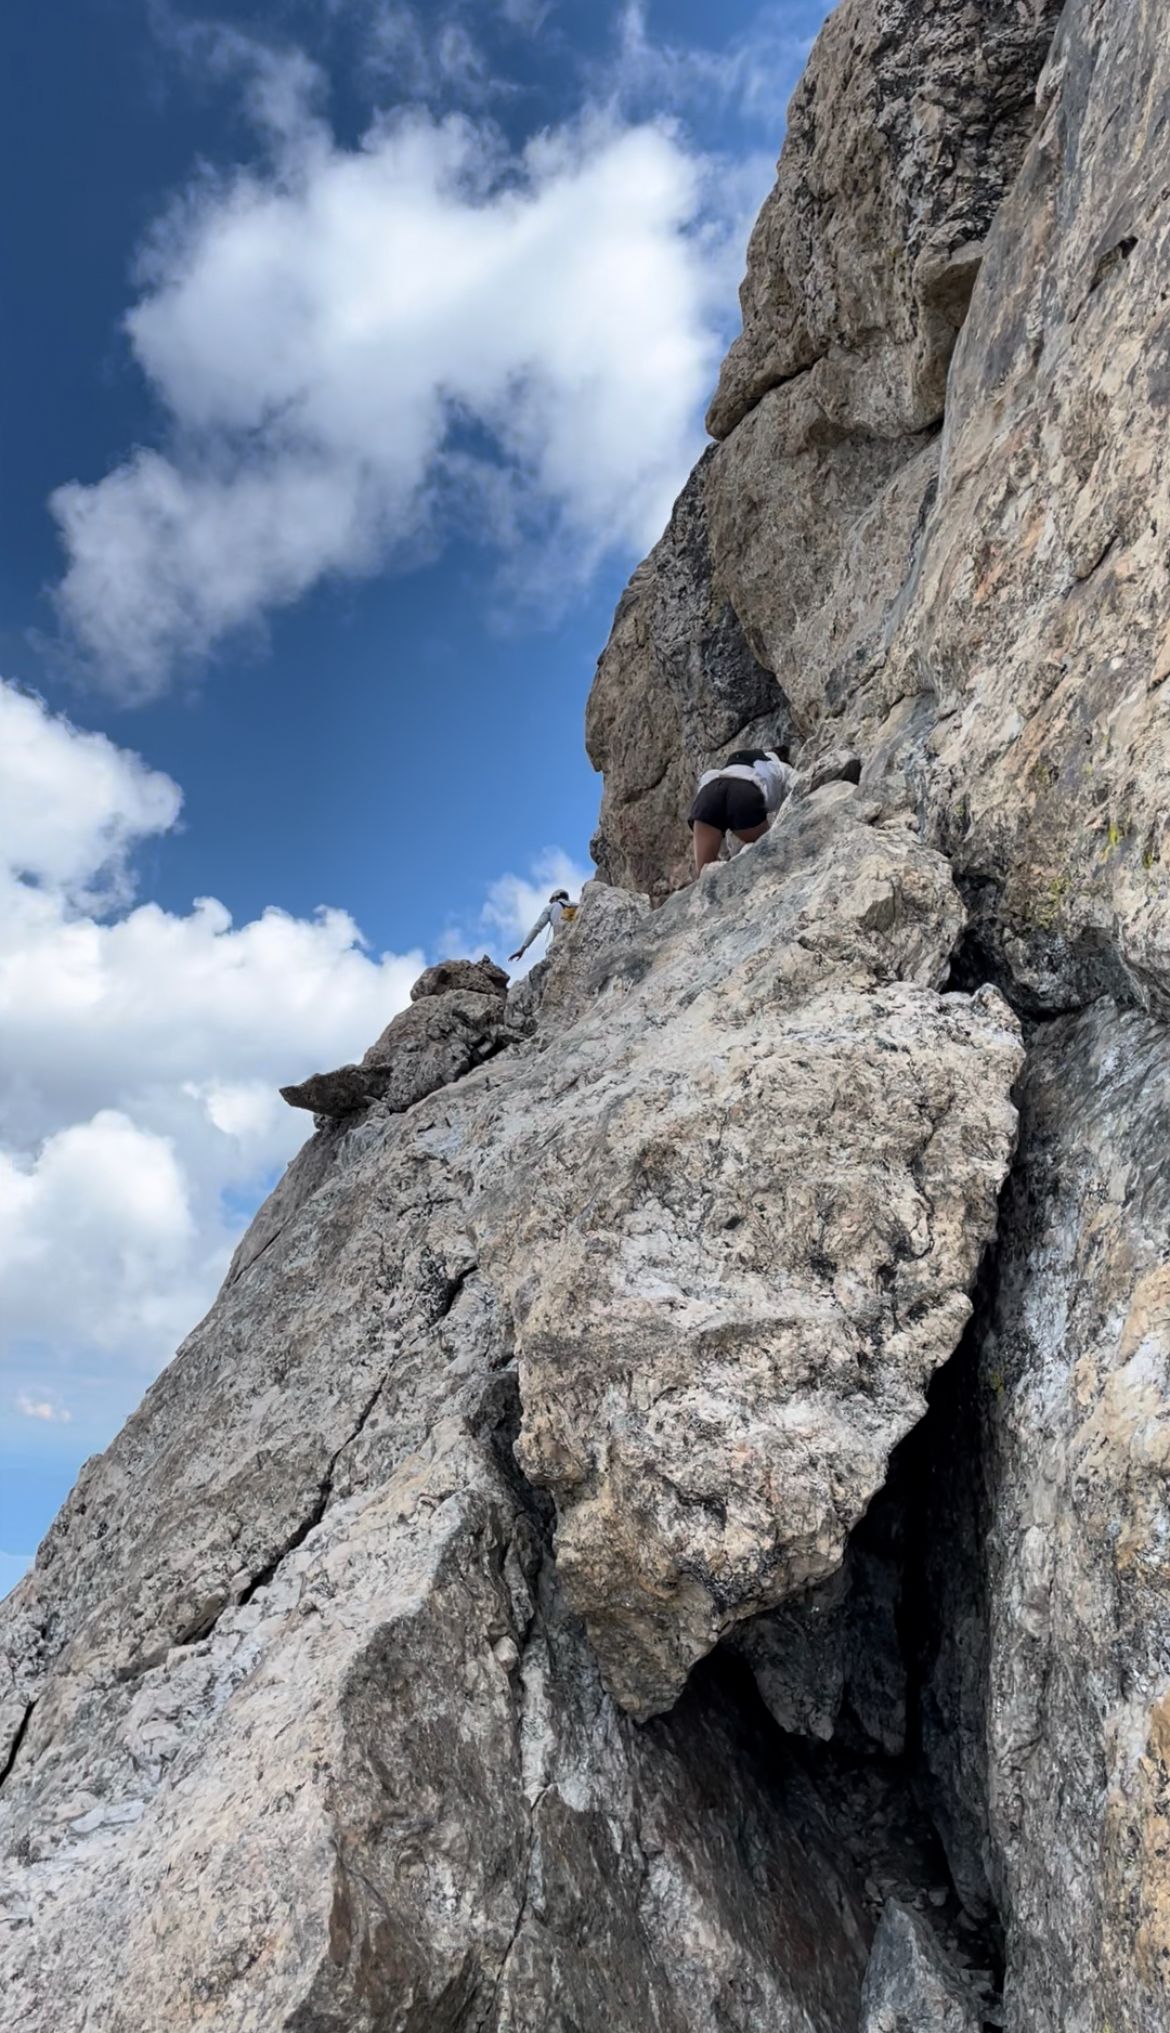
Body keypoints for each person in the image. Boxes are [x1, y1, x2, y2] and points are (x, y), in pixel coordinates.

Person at [688, 746, 795, 875]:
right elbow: (801, 783)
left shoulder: (729, 767)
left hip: (708, 793)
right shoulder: (778, 765)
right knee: (767, 852)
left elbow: (706, 781)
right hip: (743, 793)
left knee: (705, 872)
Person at [509, 888, 577, 963]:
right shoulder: (576, 906)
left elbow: (537, 928)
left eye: (551, 901)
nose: (551, 903)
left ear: (555, 898)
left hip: (560, 943)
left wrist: (523, 949)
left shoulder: (551, 907)